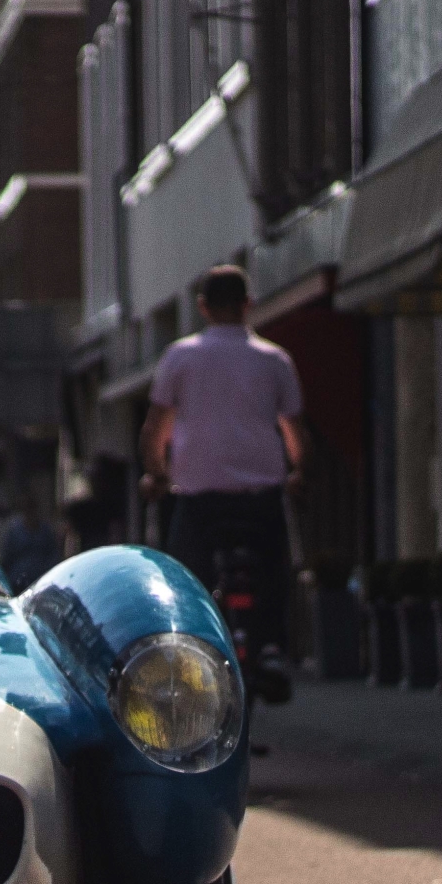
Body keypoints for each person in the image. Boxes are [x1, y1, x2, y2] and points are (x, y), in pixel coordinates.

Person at [141, 265, 307, 671]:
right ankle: (271, 646)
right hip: (261, 494)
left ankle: (189, 649)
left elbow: (154, 431)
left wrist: (158, 474)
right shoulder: (275, 359)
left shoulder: (181, 356)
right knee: (275, 565)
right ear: (248, 304)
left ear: (202, 308)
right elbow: (295, 431)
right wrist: (299, 471)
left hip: (199, 495)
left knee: (185, 576)